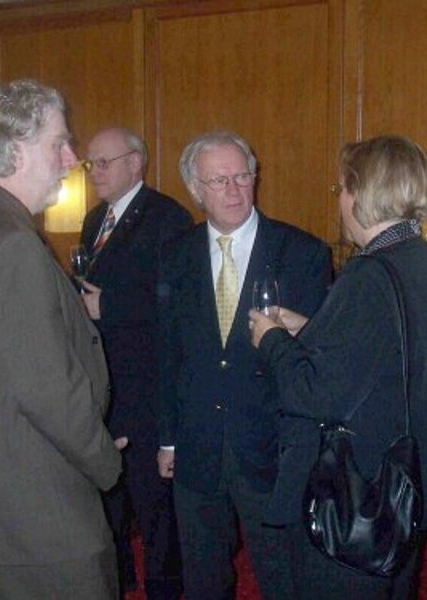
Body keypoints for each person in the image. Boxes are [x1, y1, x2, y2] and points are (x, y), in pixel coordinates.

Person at [249, 135, 427, 599]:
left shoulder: (369, 274)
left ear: (362, 193)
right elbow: (384, 354)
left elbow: (314, 395)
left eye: (342, 188)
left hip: (359, 498)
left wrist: (271, 341)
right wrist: (309, 329)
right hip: (401, 488)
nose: (340, 200)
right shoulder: (418, 259)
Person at [0, 79, 123, 600]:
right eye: (58, 143)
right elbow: (46, 390)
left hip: (3, 498)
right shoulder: (11, 241)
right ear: (15, 151)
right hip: (41, 507)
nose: (71, 160)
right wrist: (105, 458)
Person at [157, 130, 331, 599]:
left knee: (283, 577)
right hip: (197, 444)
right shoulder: (175, 254)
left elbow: (318, 361)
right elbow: (168, 355)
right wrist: (168, 438)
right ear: (195, 190)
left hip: (271, 447)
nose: (234, 190)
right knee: (203, 577)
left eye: (242, 176)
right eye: (220, 180)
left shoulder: (302, 253)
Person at [80, 127, 191, 599]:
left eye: (104, 162)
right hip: (104, 381)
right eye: (91, 163)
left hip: (147, 386)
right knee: (109, 496)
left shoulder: (167, 218)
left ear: (135, 163)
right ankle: (118, 581)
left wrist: (110, 307)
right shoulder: (94, 219)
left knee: (154, 504)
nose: (95, 172)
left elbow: (180, 302)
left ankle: (165, 590)